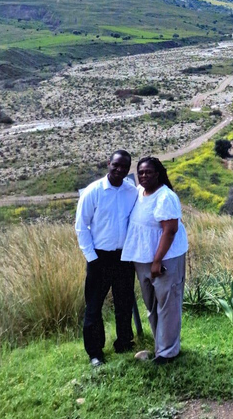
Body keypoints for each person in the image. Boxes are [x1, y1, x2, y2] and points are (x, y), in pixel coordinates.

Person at [75, 149, 138, 367]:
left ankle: (123, 342)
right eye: (116, 165)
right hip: (99, 258)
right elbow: (81, 226)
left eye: (124, 167)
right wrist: (91, 258)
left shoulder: (132, 192)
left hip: (124, 258)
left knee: (124, 302)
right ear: (108, 163)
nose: (120, 170)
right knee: (94, 307)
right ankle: (95, 353)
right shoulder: (93, 192)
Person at [122, 156, 188, 365]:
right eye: (140, 172)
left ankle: (168, 353)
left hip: (164, 259)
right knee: (152, 305)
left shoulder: (165, 197)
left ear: (158, 173)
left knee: (168, 305)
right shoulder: (140, 193)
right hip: (143, 259)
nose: (143, 176)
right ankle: (161, 346)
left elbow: (170, 231)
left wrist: (157, 261)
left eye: (148, 172)